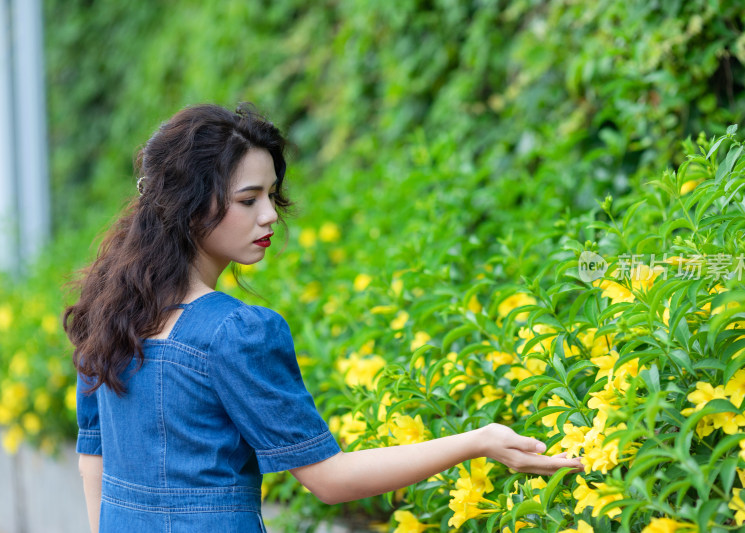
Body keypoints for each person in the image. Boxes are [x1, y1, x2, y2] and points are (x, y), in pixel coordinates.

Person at [63, 103, 583, 533]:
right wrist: (477, 441)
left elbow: (95, 453)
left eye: (271, 195)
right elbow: (329, 481)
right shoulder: (234, 333)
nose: (269, 215)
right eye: (249, 199)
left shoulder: (110, 314)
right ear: (189, 207)